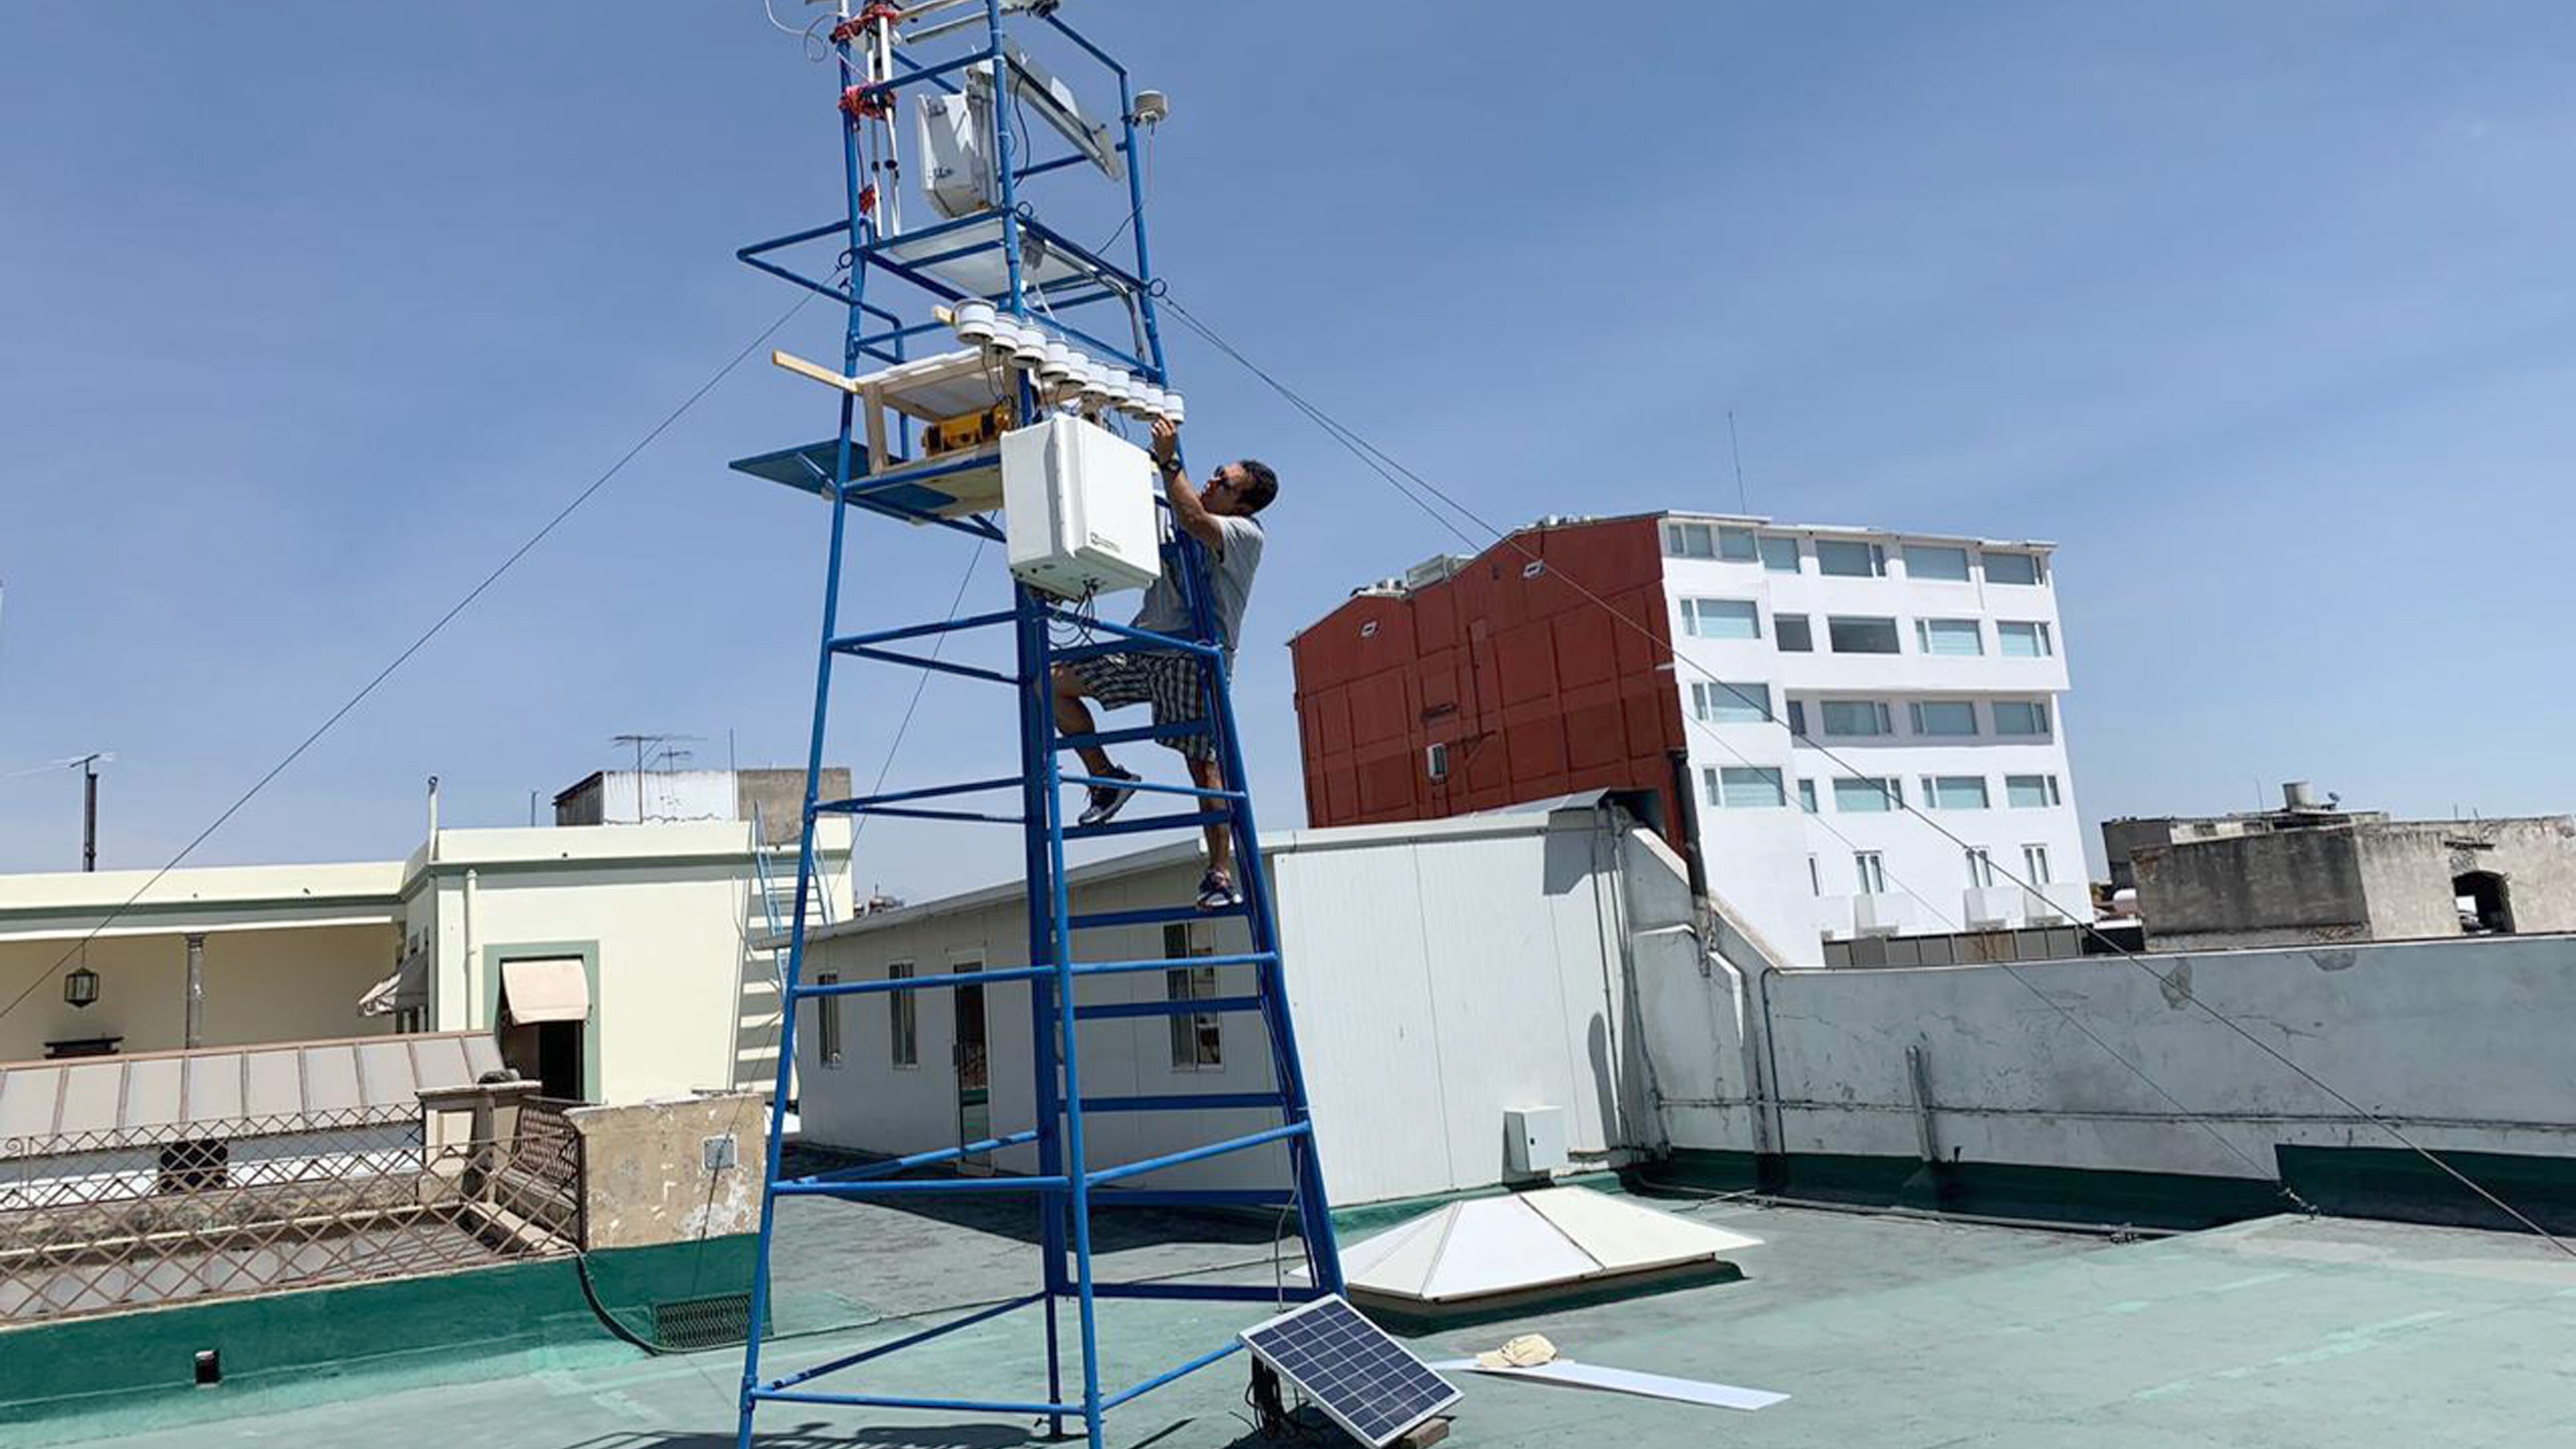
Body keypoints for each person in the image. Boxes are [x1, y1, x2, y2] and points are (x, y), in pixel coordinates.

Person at [1050, 417, 1278, 910]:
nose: (1213, 480)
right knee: (1054, 683)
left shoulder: (1244, 534)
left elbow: (1197, 521)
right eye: (1216, 472)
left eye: (1226, 483)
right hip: (1145, 645)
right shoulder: (1173, 508)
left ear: (1242, 505)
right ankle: (1107, 781)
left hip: (1192, 653)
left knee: (1203, 763)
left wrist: (1170, 460)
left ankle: (1219, 872)